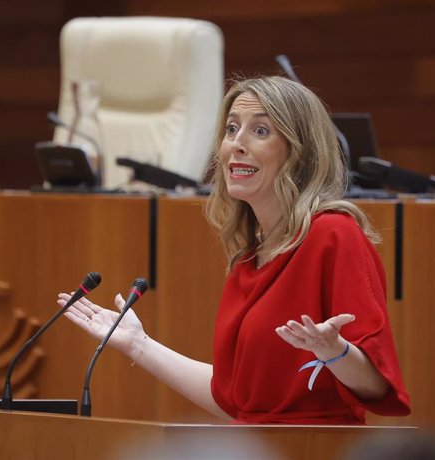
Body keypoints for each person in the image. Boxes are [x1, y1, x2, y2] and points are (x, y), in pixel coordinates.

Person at [59, 75, 411, 424]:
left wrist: (336, 352)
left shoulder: (333, 234)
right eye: (231, 129)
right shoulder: (249, 258)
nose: (236, 144)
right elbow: (236, 404)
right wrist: (139, 345)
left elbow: (376, 386)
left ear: (300, 152)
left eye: (260, 131)